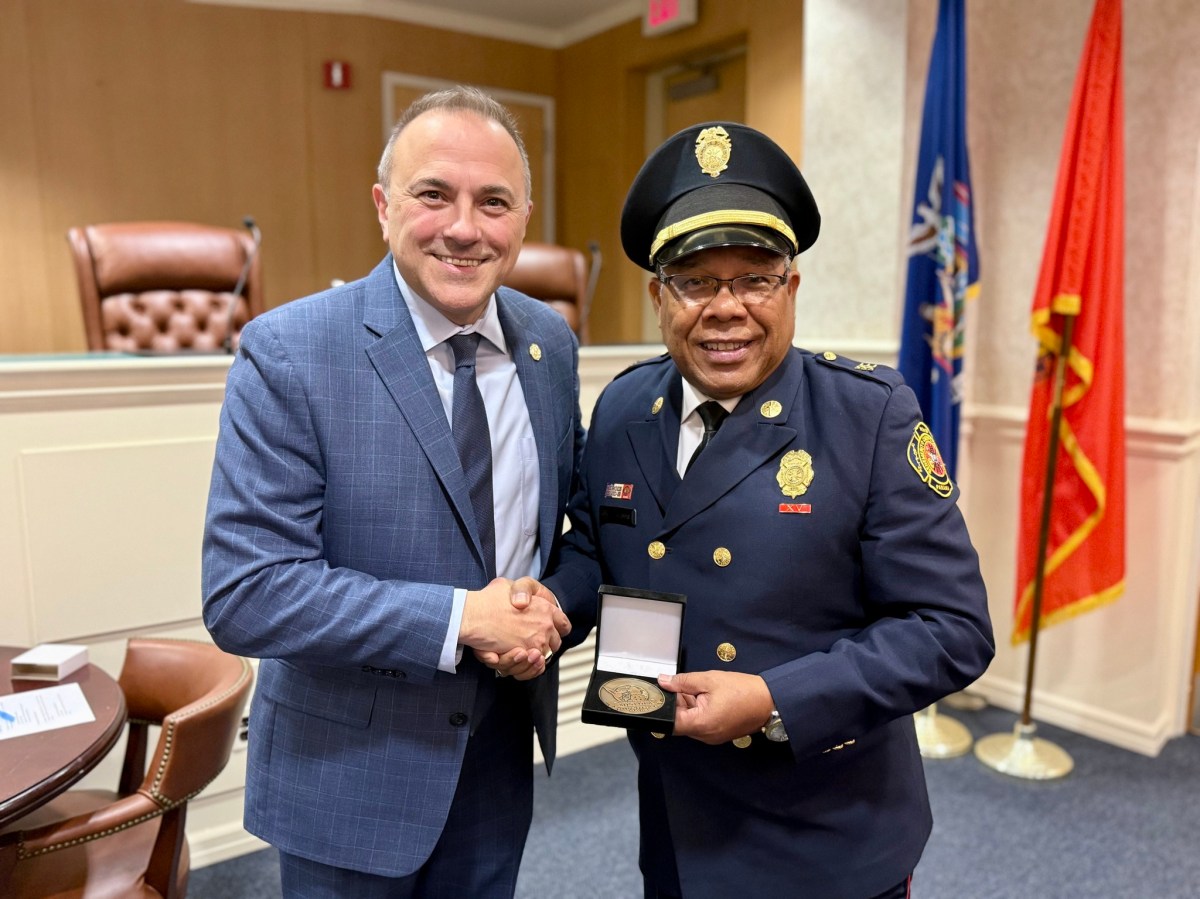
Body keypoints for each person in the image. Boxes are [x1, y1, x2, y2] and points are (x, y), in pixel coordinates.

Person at [508, 122, 996, 898]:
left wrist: (775, 699)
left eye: (754, 278)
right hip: (676, 813)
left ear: (792, 287)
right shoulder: (627, 406)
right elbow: (597, 548)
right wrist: (548, 608)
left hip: (826, 833)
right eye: (696, 281)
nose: (725, 308)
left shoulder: (867, 417)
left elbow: (952, 630)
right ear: (658, 295)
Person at [201, 85, 583, 898]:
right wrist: (461, 618)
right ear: (383, 206)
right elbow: (248, 592)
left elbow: (569, 534)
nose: (464, 227)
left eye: (494, 202)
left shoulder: (550, 341)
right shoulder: (289, 351)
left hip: (497, 756)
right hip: (349, 776)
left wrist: (544, 609)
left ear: (524, 217)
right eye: (433, 194)